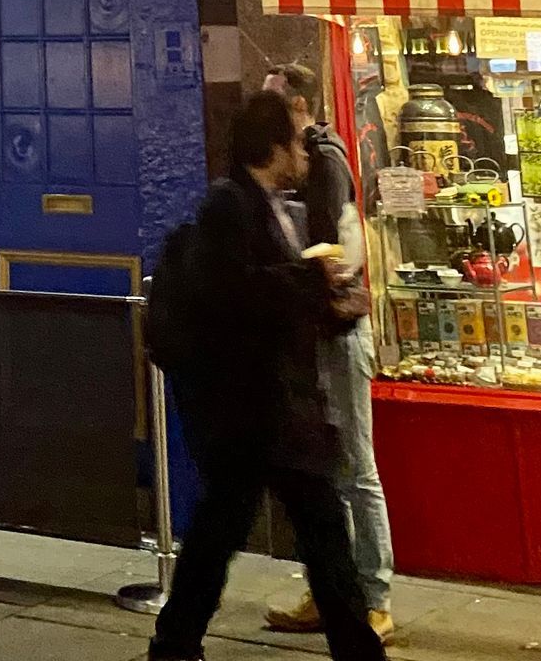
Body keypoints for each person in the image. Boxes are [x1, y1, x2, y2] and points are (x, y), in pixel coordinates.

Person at [144, 91, 385, 661]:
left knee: (237, 531)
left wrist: (332, 309)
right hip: (255, 409)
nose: (306, 152)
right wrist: (311, 284)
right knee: (285, 531)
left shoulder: (273, 204)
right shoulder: (228, 206)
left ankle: (175, 645)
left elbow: (274, 295)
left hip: (271, 409)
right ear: (274, 147)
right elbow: (236, 294)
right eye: (299, 141)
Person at [264, 63, 395, 646]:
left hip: (339, 334)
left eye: (271, 102)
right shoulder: (305, 158)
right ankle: (331, 591)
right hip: (313, 334)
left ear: (296, 106)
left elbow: (330, 250)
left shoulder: (326, 158)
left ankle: (374, 599)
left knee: (356, 469)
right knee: (324, 469)